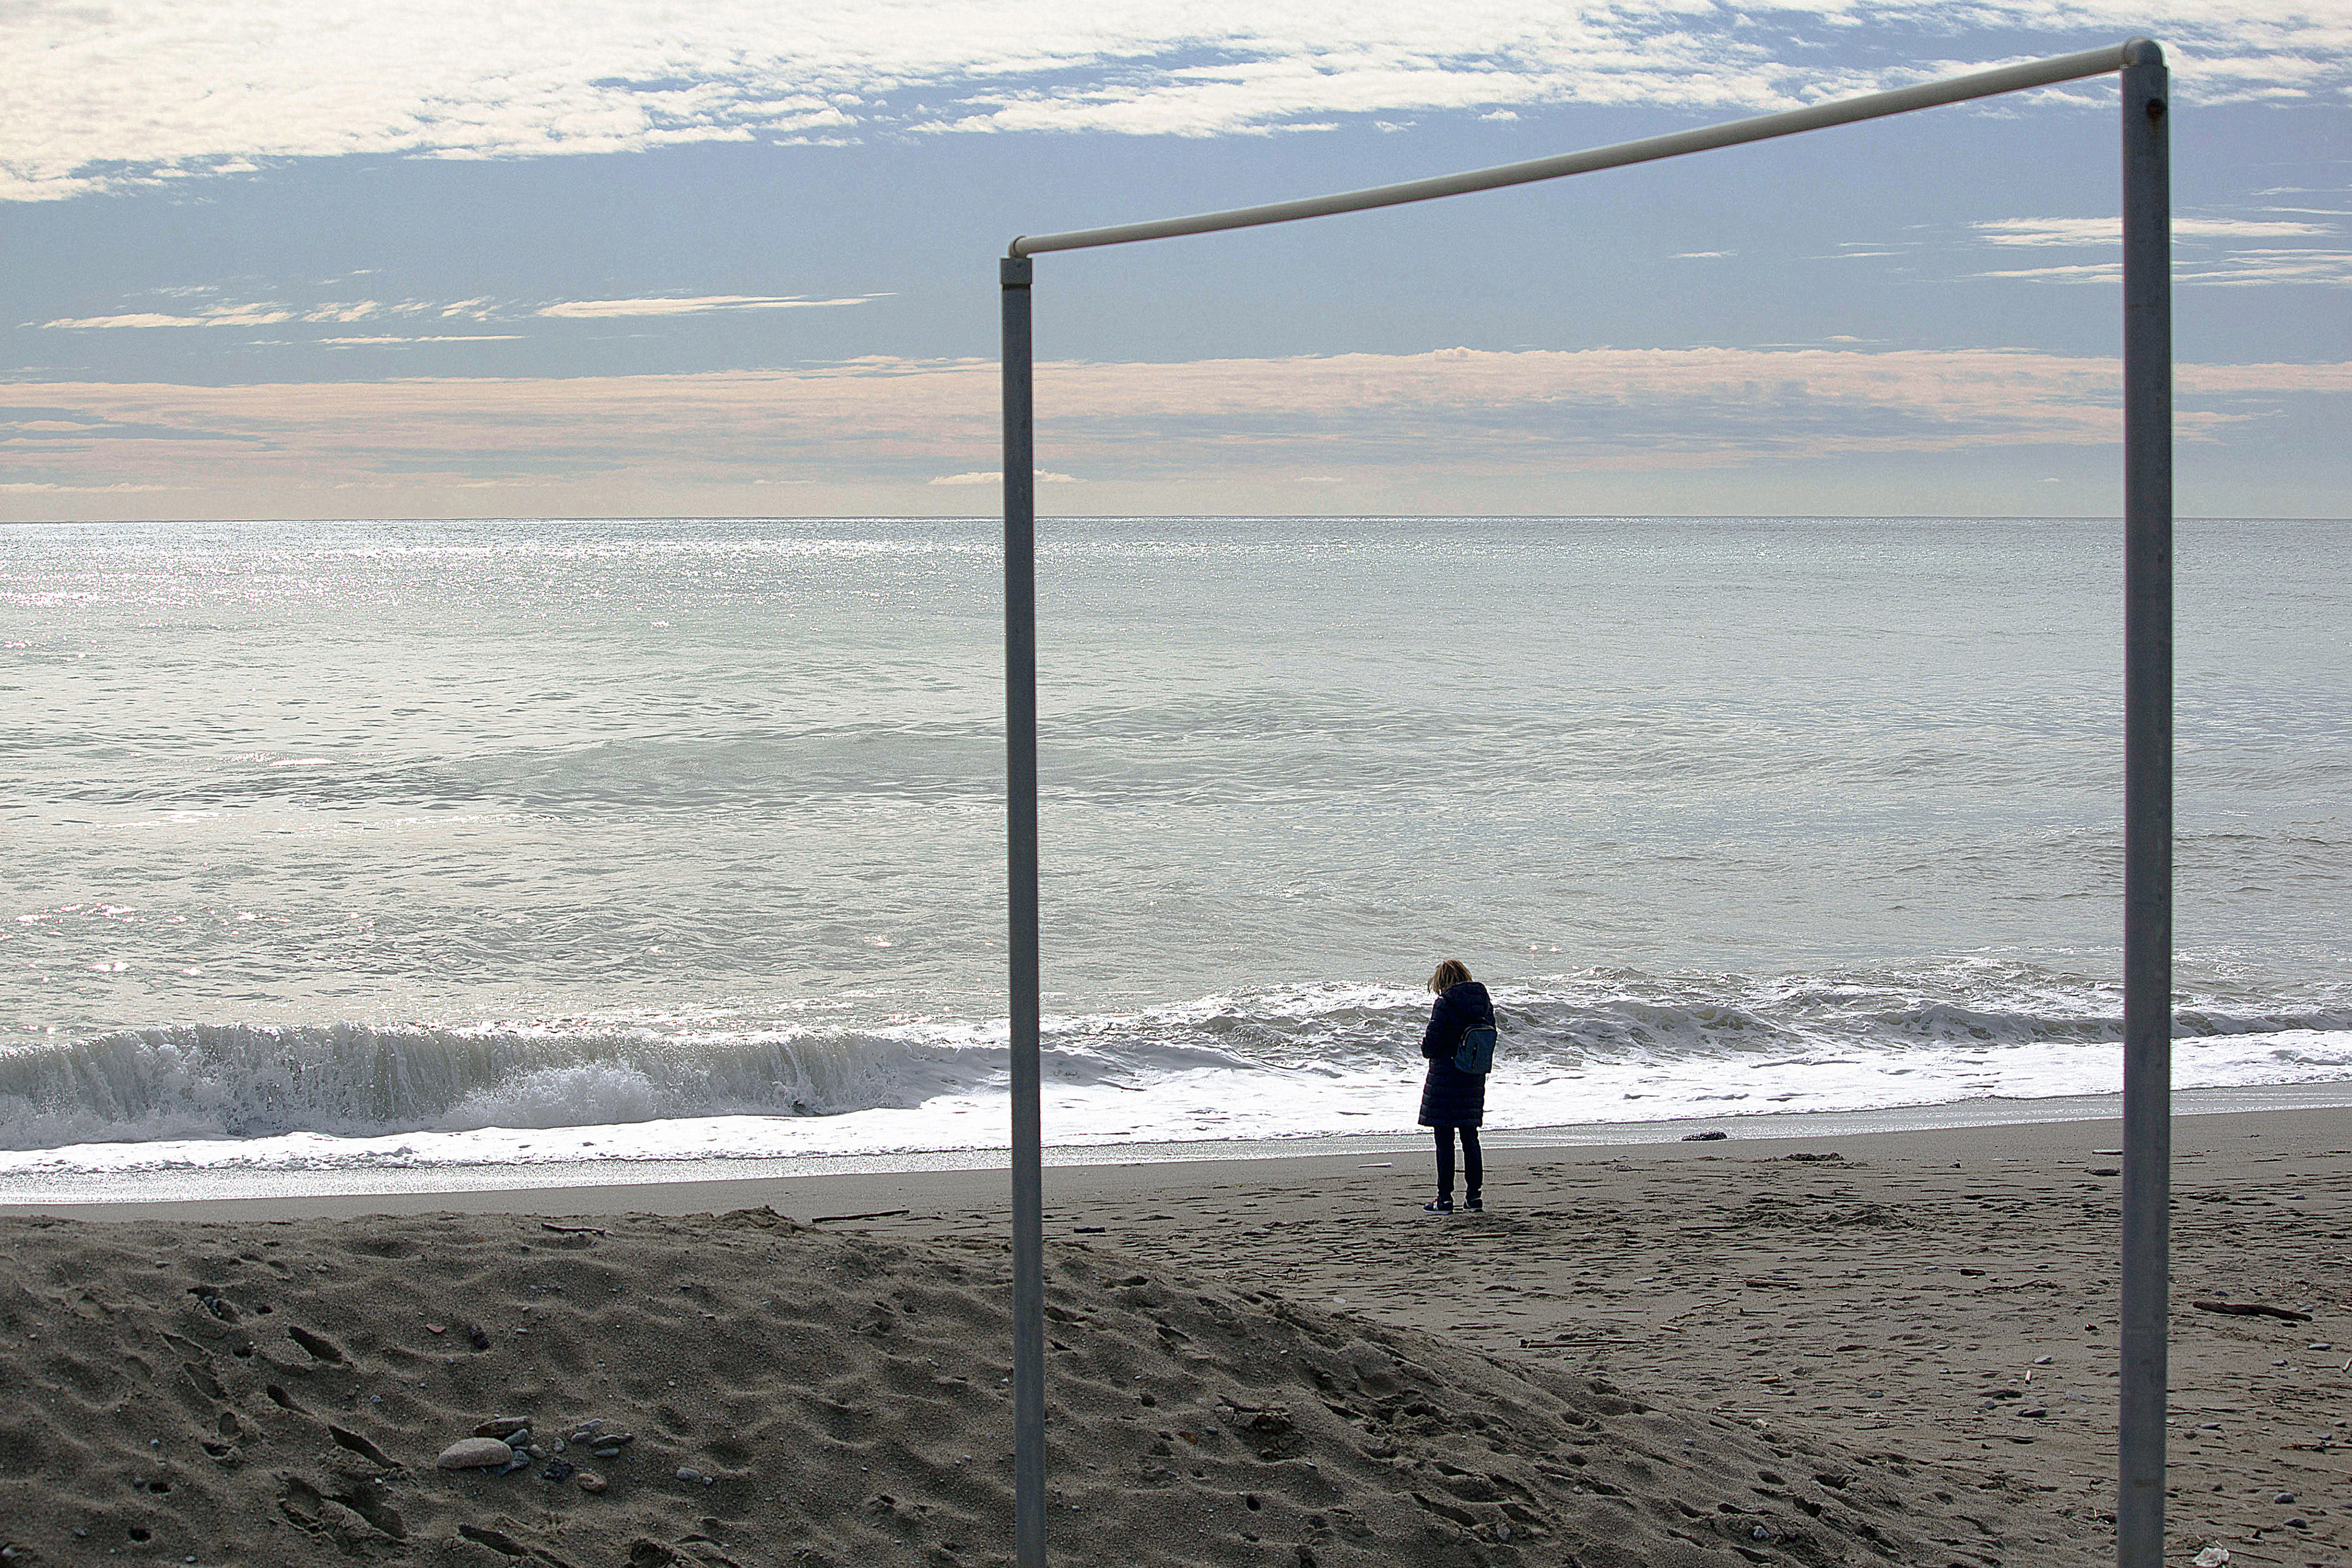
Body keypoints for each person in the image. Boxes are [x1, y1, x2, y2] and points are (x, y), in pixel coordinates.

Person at [1416, 957, 1493, 1213]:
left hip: (1446, 1078)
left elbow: (1431, 1046)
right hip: (1473, 1077)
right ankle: (1474, 1198)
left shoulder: (1445, 1004)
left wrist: (1427, 1046)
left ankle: (1445, 1198)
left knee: (1445, 1139)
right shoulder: (1483, 1002)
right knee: (1471, 1137)